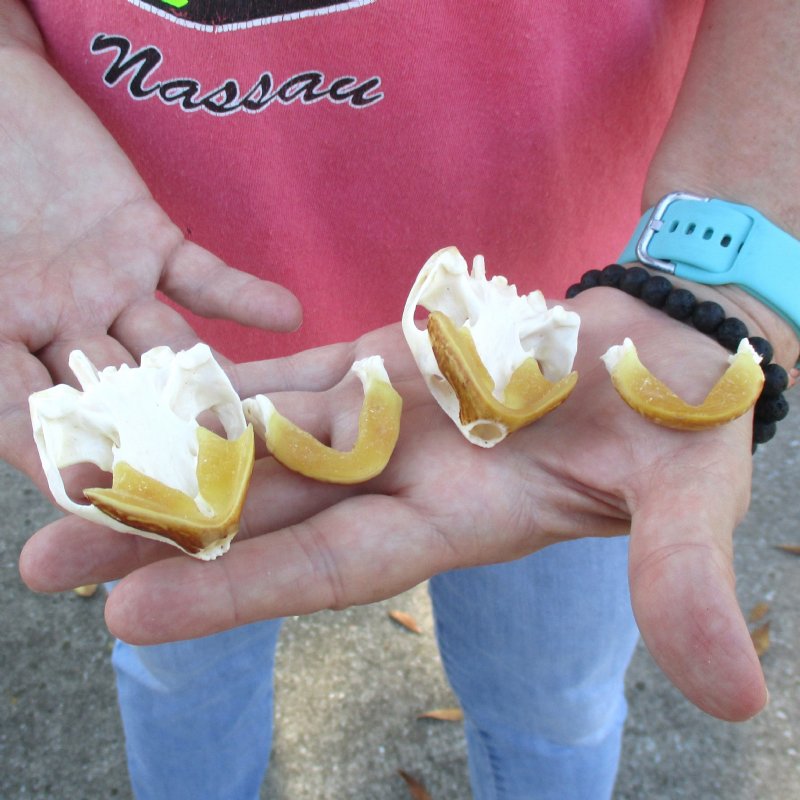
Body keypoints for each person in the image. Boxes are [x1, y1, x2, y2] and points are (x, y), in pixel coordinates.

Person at [2, 1, 798, 798]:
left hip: (582, 346)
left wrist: (734, 255)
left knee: (553, 703)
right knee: (176, 661)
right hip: (153, 339)